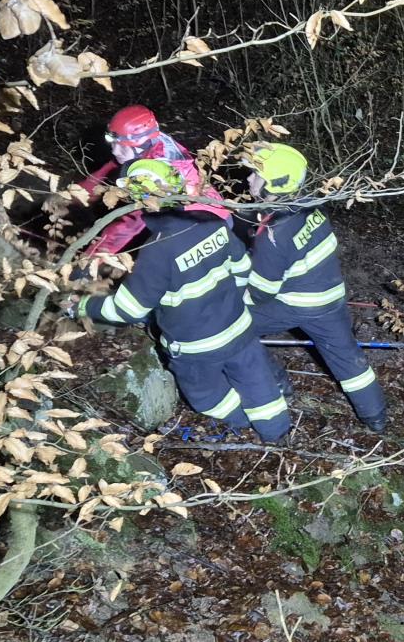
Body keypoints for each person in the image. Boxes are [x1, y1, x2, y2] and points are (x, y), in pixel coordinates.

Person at [62, 159, 290, 443]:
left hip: (196, 347)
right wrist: (230, 301)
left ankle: (241, 422)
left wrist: (82, 306)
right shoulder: (211, 222)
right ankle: (278, 433)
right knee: (259, 382)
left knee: (205, 396)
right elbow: (242, 266)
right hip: (240, 327)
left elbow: (129, 310)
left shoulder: (158, 248)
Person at [238, 142, 388, 433]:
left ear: (275, 183)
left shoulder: (273, 234)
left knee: (233, 328)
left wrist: (233, 297)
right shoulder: (310, 205)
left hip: (298, 303)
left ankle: (277, 383)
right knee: (346, 357)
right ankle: (376, 417)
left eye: (256, 174)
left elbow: (261, 292)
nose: (249, 179)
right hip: (331, 294)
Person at [73, 105, 228, 259]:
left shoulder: (152, 176)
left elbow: (130, 223)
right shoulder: (154, 142)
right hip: (208, 210)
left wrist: (91, 257)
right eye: (113, 143)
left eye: (120, 146)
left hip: (206, 226)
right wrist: (77, 193)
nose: (114, 150)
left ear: (140, 145)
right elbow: (114, 164)